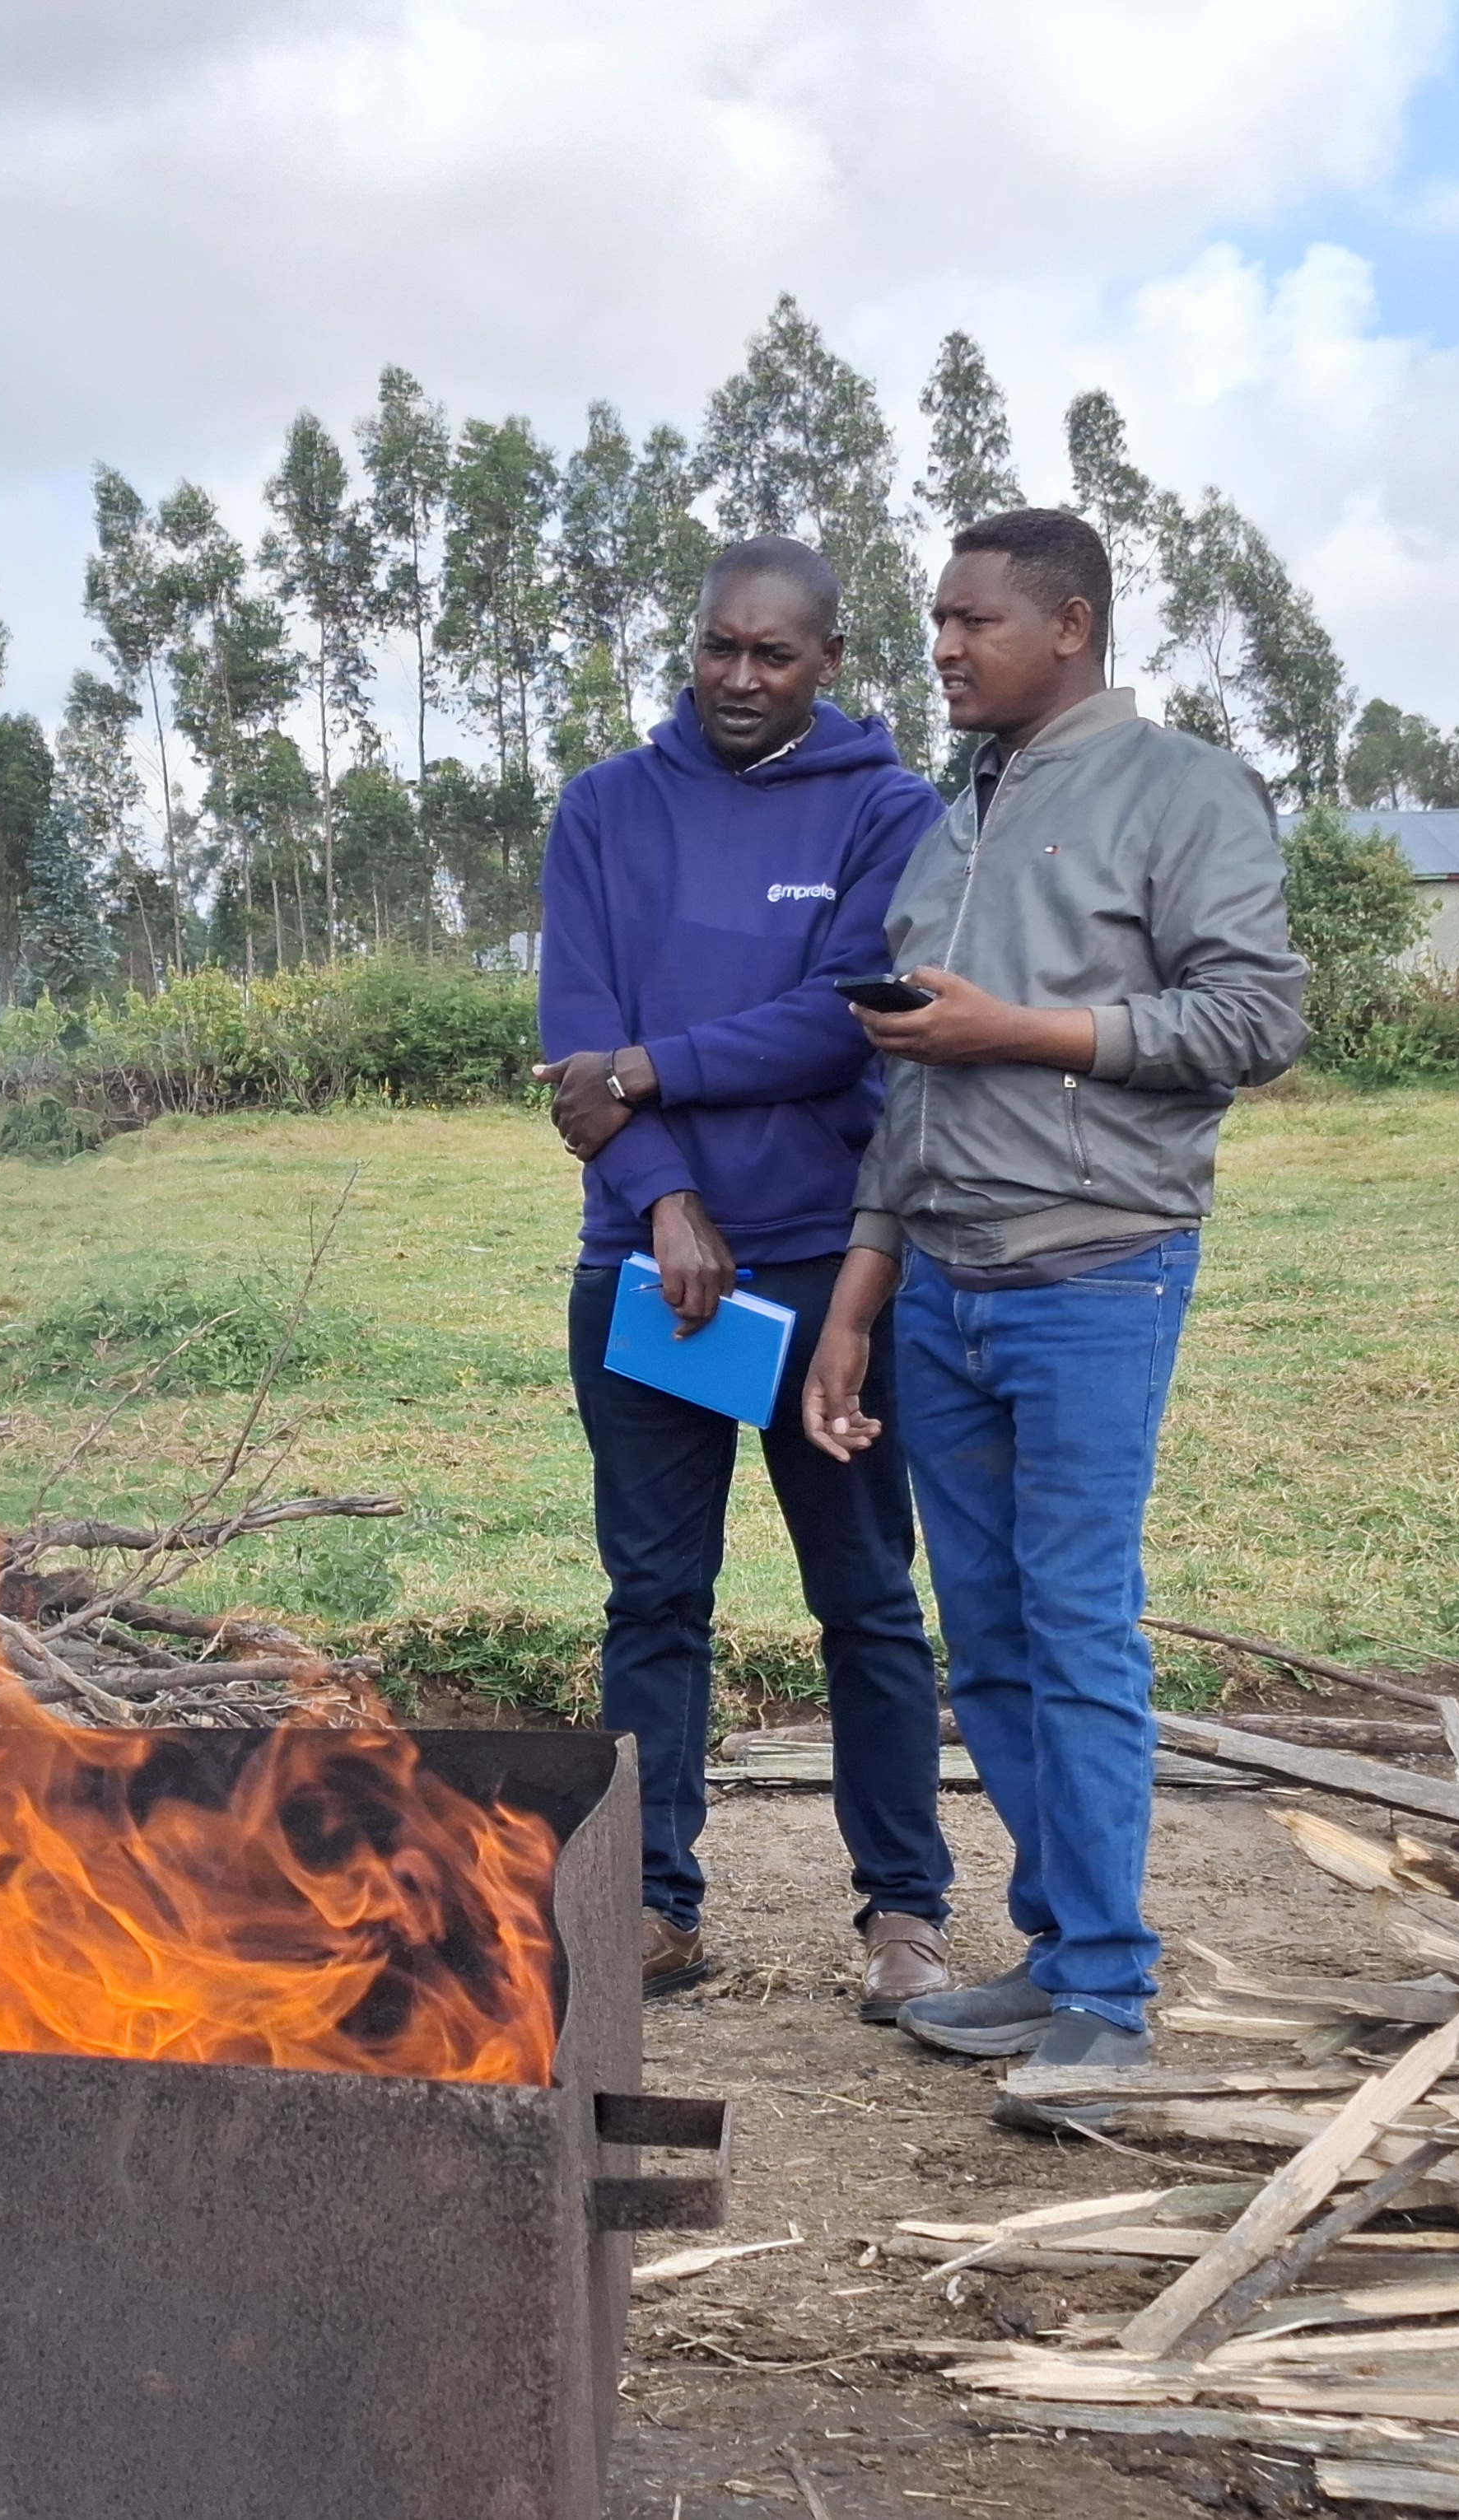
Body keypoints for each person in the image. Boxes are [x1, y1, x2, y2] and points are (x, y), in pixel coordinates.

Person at [797, 507, 1306, 2123]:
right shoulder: (954, 821)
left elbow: (1257, 1018)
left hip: (1095, 1271)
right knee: (994, 1641)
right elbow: (912, 1086)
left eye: (975, 622)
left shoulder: (1183, 791)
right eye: (939, 621)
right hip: (939, 1286)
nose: (944, 647)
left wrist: (1018, 1030)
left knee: (1077, 1624)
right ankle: (1056, 1945)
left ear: (1070, 626)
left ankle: (1109, 1993)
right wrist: (859, 1297)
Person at [535, 534, 957, 2015]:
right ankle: (653, 1904)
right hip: (648, 1272)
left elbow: (845, 1020)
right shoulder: (605, 807)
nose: (740, 677)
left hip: (832, 1273)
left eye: (775, 655)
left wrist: (650, 1070)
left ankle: (903, 1908)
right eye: (720, 646)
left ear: (829, 661)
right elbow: (574, 1046)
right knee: (654, 1598)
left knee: (868, 1596)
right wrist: (662, 1199)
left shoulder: (890, 810)